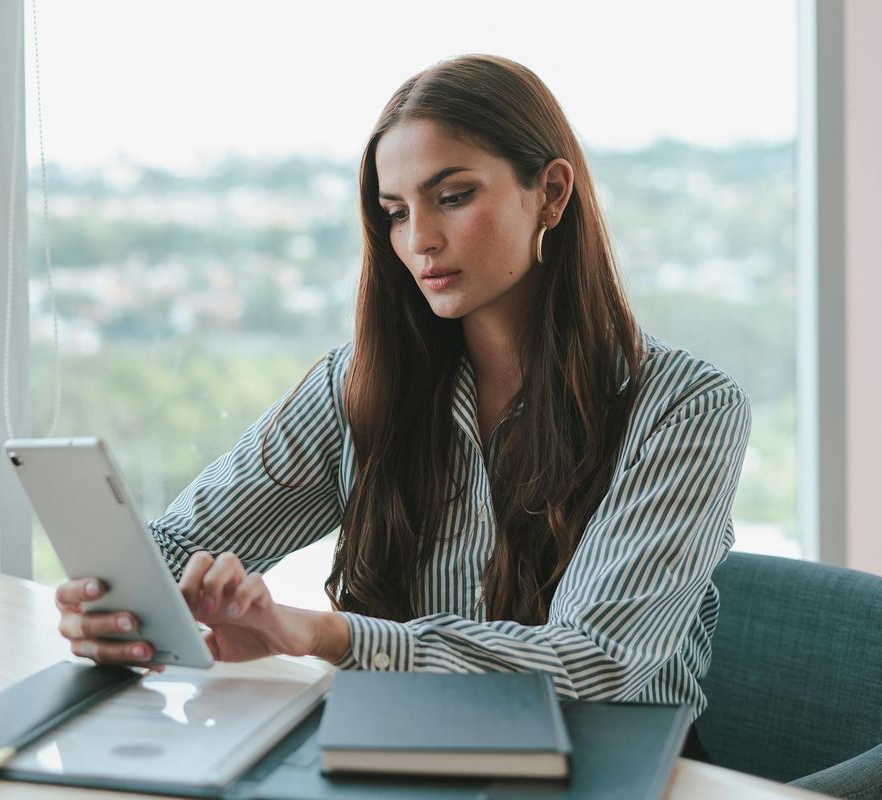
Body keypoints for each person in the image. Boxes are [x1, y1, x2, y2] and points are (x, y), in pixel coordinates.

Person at [54, 54, 750, 760]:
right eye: (395, 213)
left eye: (452, 196)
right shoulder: (358, 386)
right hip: (396, 754)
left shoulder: (686, 409)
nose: (419, 241)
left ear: (551, 192)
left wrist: (326, 634)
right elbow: (177, 548)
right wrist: (119, 608)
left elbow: (594, 661)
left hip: (603, 768)